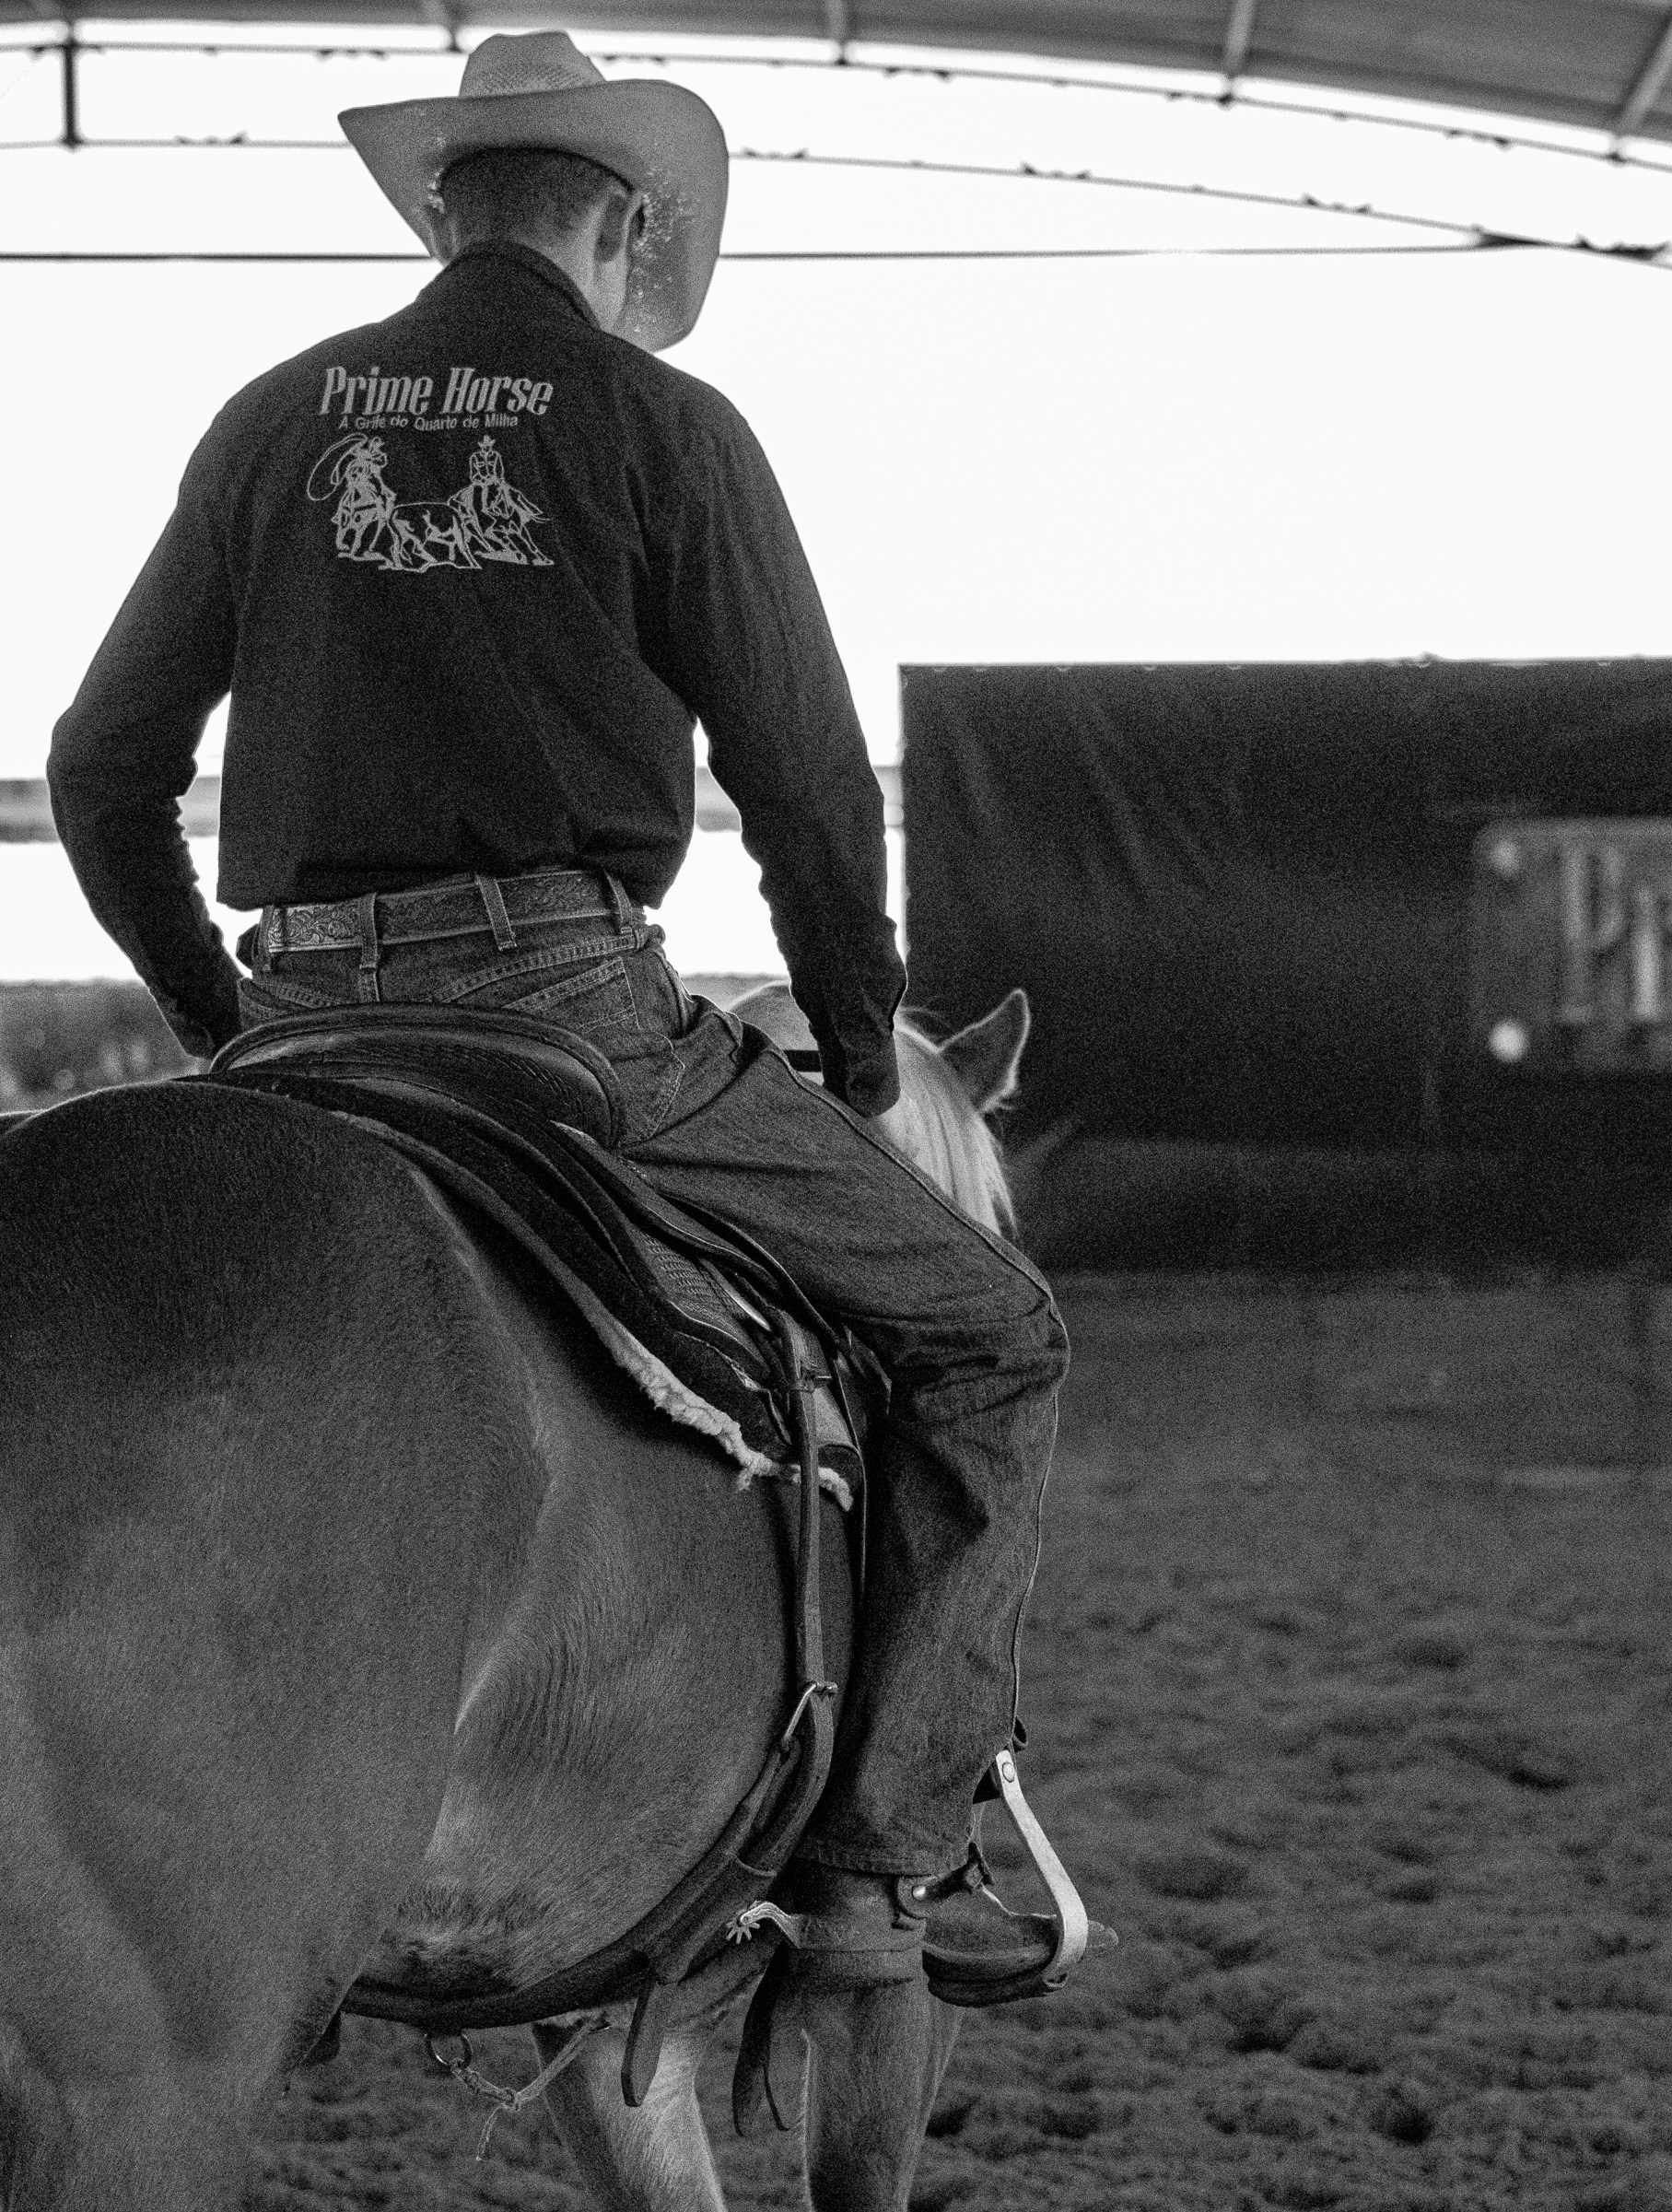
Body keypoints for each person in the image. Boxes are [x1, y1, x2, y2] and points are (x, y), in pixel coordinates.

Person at [46, 29, 1070, 1995]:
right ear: (622, 223)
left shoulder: (271, 424)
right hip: (565, 1011)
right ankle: (880, 1865)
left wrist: (214, 1026)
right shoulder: (663, 428)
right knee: (992, 1338)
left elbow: (101, 767)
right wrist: (856, 1057)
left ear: (445, 207)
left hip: (302, 1021)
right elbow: (798, 781)